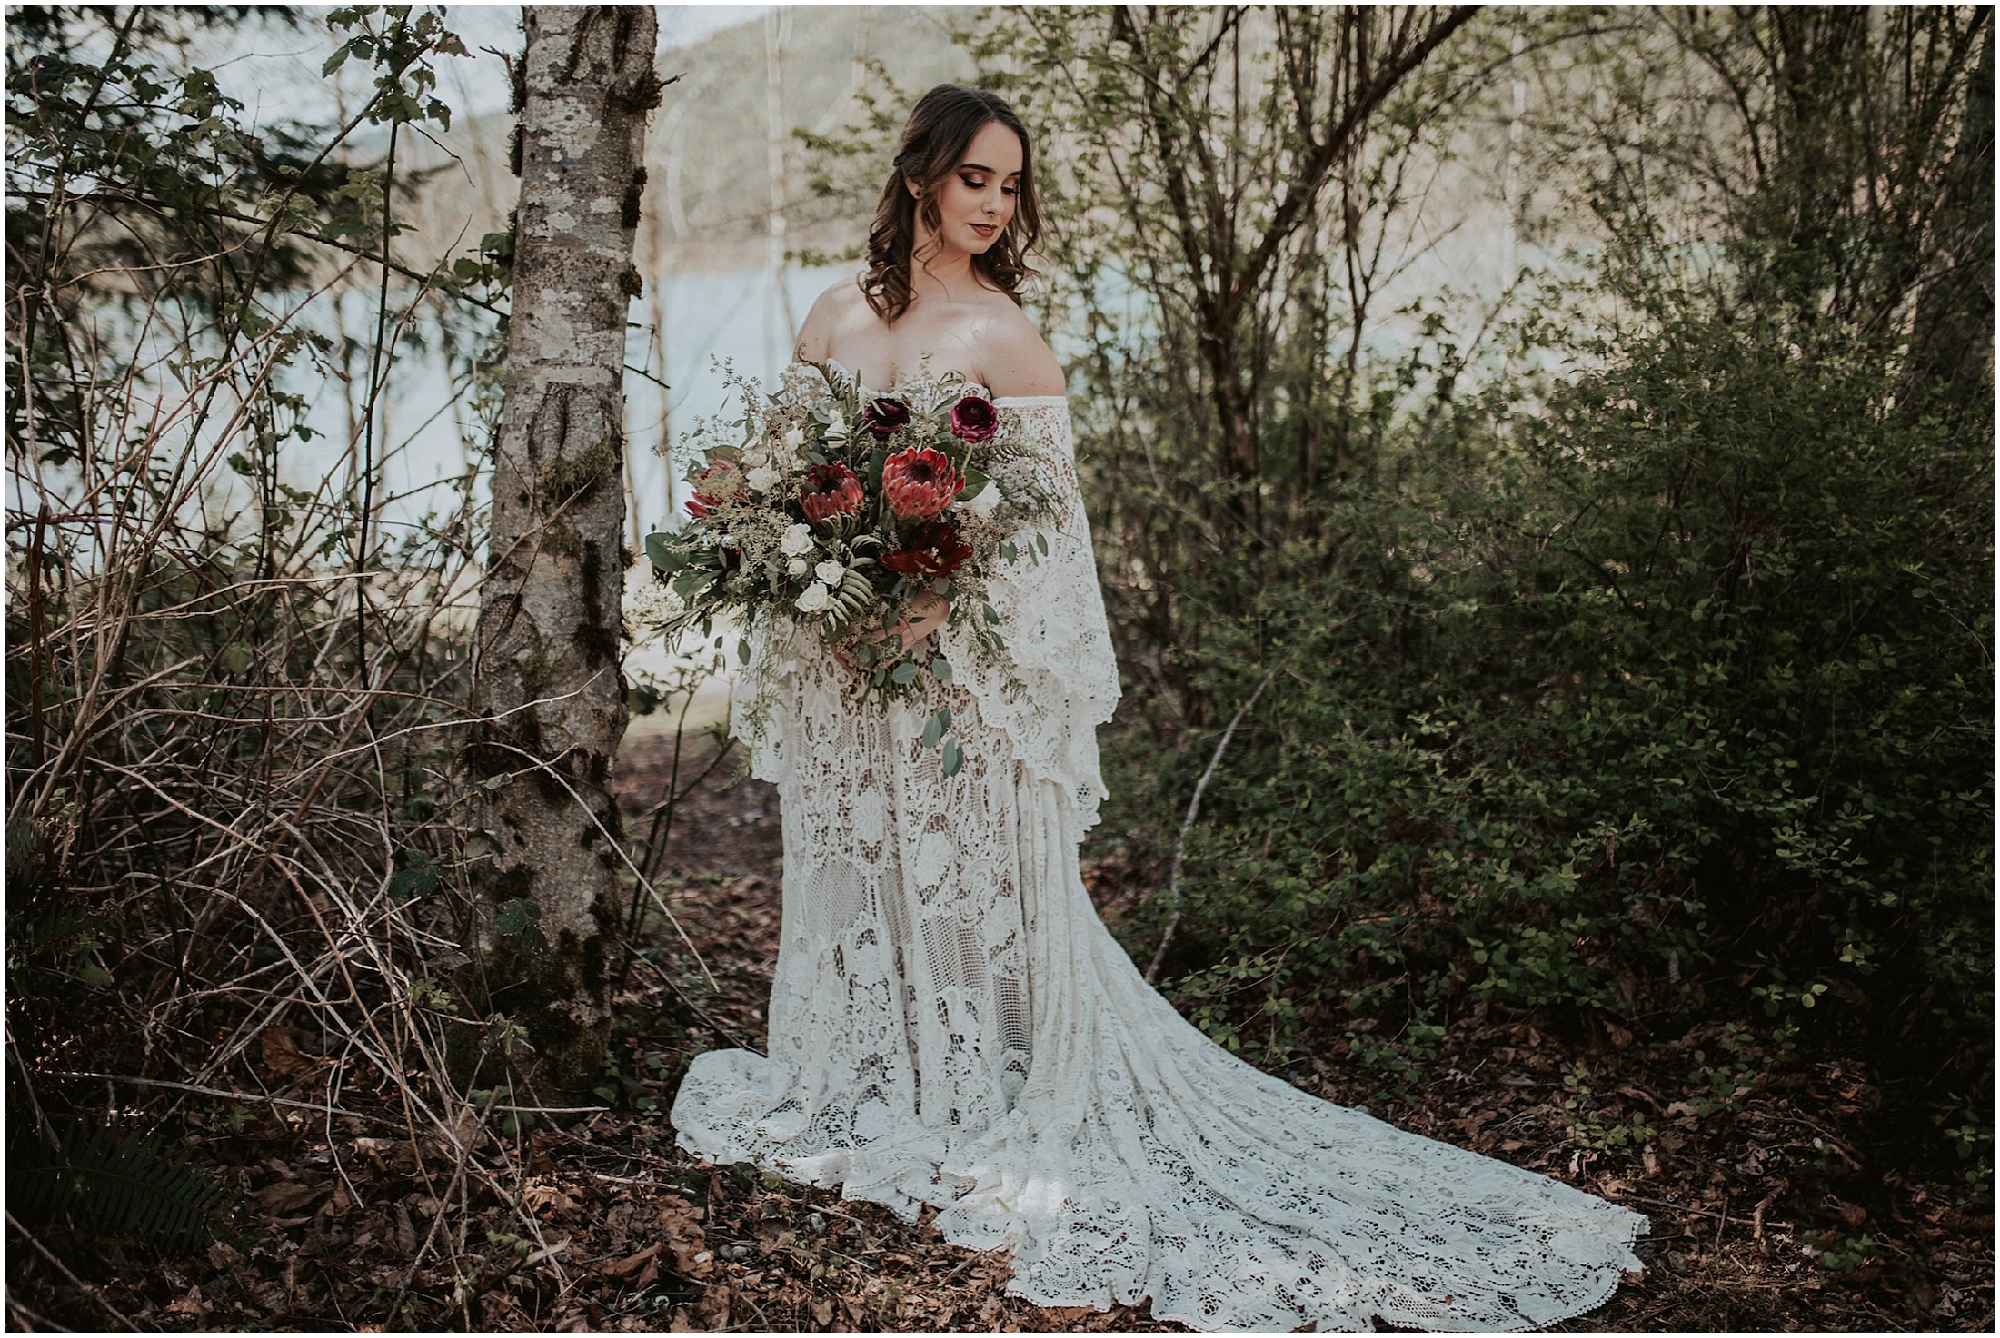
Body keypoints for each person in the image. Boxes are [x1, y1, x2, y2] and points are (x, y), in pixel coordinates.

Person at [671, 83, 1646, 1333]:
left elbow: (1039, 540)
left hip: (954, 671)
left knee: (970, 880)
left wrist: (921, 609)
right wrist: (803, 573)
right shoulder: (829, 316)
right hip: (841, 655)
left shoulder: (1002, 337)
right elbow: (795, 487)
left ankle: (975, 1084)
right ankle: (870, 1070)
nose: (993, 203)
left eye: (1010, 184)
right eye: (976, 176)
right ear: (920, 173)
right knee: (863, 868)